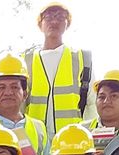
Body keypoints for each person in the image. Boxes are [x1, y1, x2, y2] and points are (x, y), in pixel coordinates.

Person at [24, 2, 94, 140]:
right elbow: (19, 103)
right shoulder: (26, 61)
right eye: (49, 17)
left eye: (60, 17)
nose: (54, 21)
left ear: (67, 24)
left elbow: (92, 102)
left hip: (72, 140)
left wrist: (87, 135)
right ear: (40, 24)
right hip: (34, 138)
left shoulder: (81, 58)